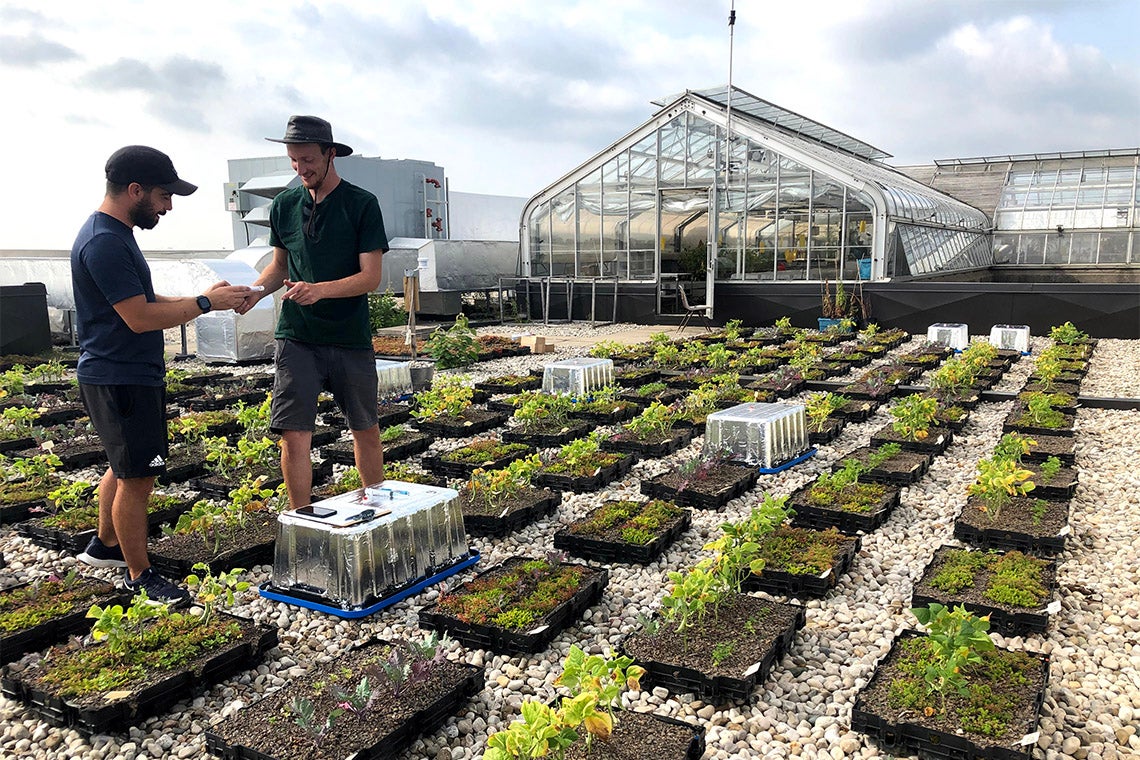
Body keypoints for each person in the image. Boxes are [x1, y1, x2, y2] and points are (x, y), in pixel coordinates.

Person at [72, 145, 251, 605]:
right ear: (134, 190)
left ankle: (106, 546)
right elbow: (139, 318)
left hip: (118, 373)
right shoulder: (106, 242)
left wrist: (200, 295)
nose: (168, 206)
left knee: (123, 465)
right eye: (163, 195)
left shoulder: (113, 234)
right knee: (139, 478)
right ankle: (140, 575)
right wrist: (208, 305)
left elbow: (144, 300)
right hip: (122, 377)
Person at [235, 115, 388, 509]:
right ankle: (301, 519)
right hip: (297, 337)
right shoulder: (284, 206)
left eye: (308, 160)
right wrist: (254, 291)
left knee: (365, 429)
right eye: (293, 161)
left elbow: (370, 277)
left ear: (330, 154)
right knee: (294, 433)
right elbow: (280, 267)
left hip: (349, 337)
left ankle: (378, 511)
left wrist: (320, 290)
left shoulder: (361, 204)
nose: (301, 169)